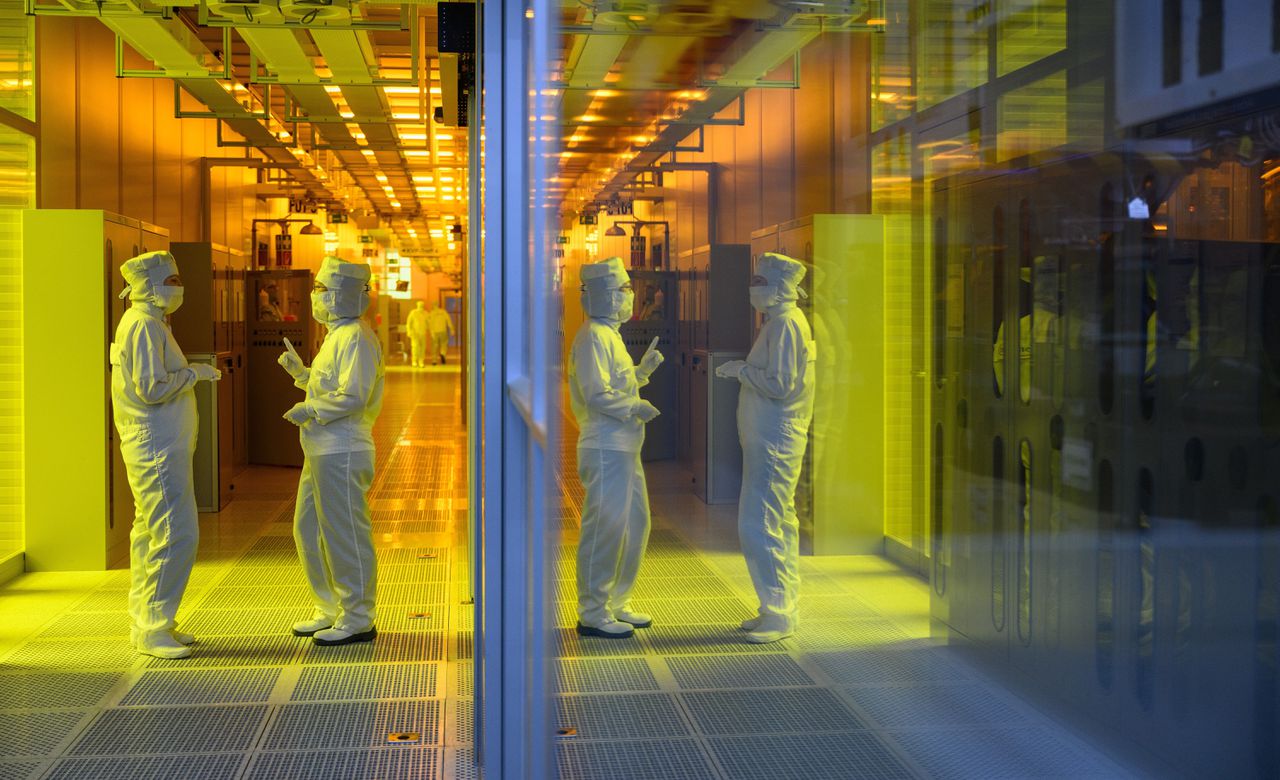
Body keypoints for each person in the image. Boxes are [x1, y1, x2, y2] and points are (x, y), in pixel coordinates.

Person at [111, 250, 222, 659]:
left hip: (163, 445)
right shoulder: (141, 325)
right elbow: (151, 389)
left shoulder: (152, 323)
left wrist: (190, 372)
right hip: (155, 446)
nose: (179, 288)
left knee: (151, 532)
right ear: (150, 285)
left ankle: (149, 621)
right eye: (172, 281)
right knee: (176, 533)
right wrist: (195, 373)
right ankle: (154, 627)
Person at [277, 256, 386, 646]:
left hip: (342, 449)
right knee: (308, 529)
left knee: (344, 534)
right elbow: (332, 385)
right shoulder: (338, 335)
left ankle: (358, 616)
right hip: (320, 448)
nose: (315, 297)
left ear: (342, 296)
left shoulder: (355, 335)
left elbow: (353, 396)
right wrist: (301, 375)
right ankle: (329, 607)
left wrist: (311, 408)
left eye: (322, 290)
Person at [715, 252, 815, 643]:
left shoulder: (787, 325)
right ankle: (776, 605)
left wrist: (741, 370)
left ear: (779, 288)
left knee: (760, 523)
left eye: (759, 282)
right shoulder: (778, 323)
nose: (753, 290)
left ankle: (779, 612)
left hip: (776, 441)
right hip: (768, 440)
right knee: (774, 520)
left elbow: (782, 386)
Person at [568, 257, 664, 639]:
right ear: (604, 296)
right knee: (605, 529)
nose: (629, 297)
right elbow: (597, 394)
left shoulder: (609, 335)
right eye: (623, 291)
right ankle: (593, 610)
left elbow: (616, 384)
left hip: (625, 445)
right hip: (607, 447)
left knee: (635, 525)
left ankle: (617, 601)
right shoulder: (593, 335)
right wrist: (634, 406)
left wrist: (643, 371)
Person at [406, 300, 429, 368]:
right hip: (415, 333)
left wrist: (429, 329)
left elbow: (428, 323)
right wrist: (409, 331)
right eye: (420, 305)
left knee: (422, 348)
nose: (421, 306)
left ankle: (421, 361)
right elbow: (409, 323)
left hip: (423, 333)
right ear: (417, 305)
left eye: (422, 305)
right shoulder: (413, 313)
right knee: (415, 347)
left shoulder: (425, 313)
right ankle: (414, 361)